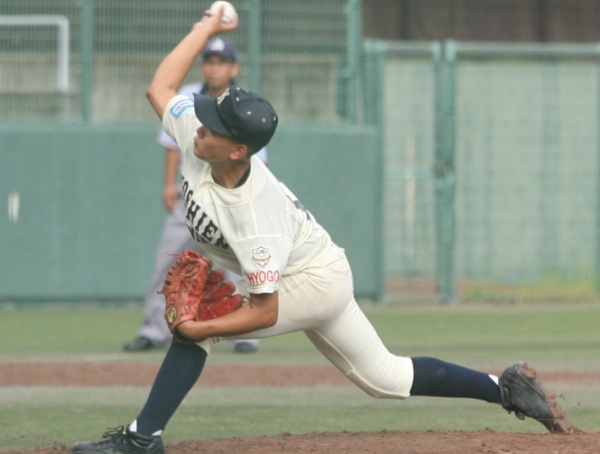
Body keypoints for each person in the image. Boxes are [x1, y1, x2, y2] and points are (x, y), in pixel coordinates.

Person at [72, 8, 573, 454]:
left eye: (213, 127)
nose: (199, 126)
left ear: (239, 150)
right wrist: (206, 25)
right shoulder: (198, 135)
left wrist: (197, 329)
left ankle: (143, 437)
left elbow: (265, 310)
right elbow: (160, 89)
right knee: (385, 378)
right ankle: (504, 387)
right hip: (316, 262)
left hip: (312, 280)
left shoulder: (254, 217)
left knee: (200, 322)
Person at [122, 36, 264, 354]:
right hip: (191, 196)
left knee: (241, 266)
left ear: (234, 68)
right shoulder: (188, 95)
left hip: (230, 200)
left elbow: (257, 160)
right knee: (169, 263)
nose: (215, 68)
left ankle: (244, 334)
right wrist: (168, 184)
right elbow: (172, 144)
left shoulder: (244, 103)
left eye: (221, 62)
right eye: (210, 61)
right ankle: (154, 331)